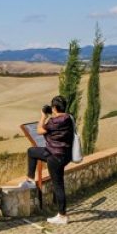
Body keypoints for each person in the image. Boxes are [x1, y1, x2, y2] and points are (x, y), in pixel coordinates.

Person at [19, 96, 74, 224]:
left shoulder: (54, 122)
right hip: (64, 155)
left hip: (54, 156)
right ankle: (30, 180)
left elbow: (39, 130)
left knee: (58, 186)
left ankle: (62, 216)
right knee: (32, 151)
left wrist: (43, 115)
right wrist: (52, 114)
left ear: (54, 107)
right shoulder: (69, 118)